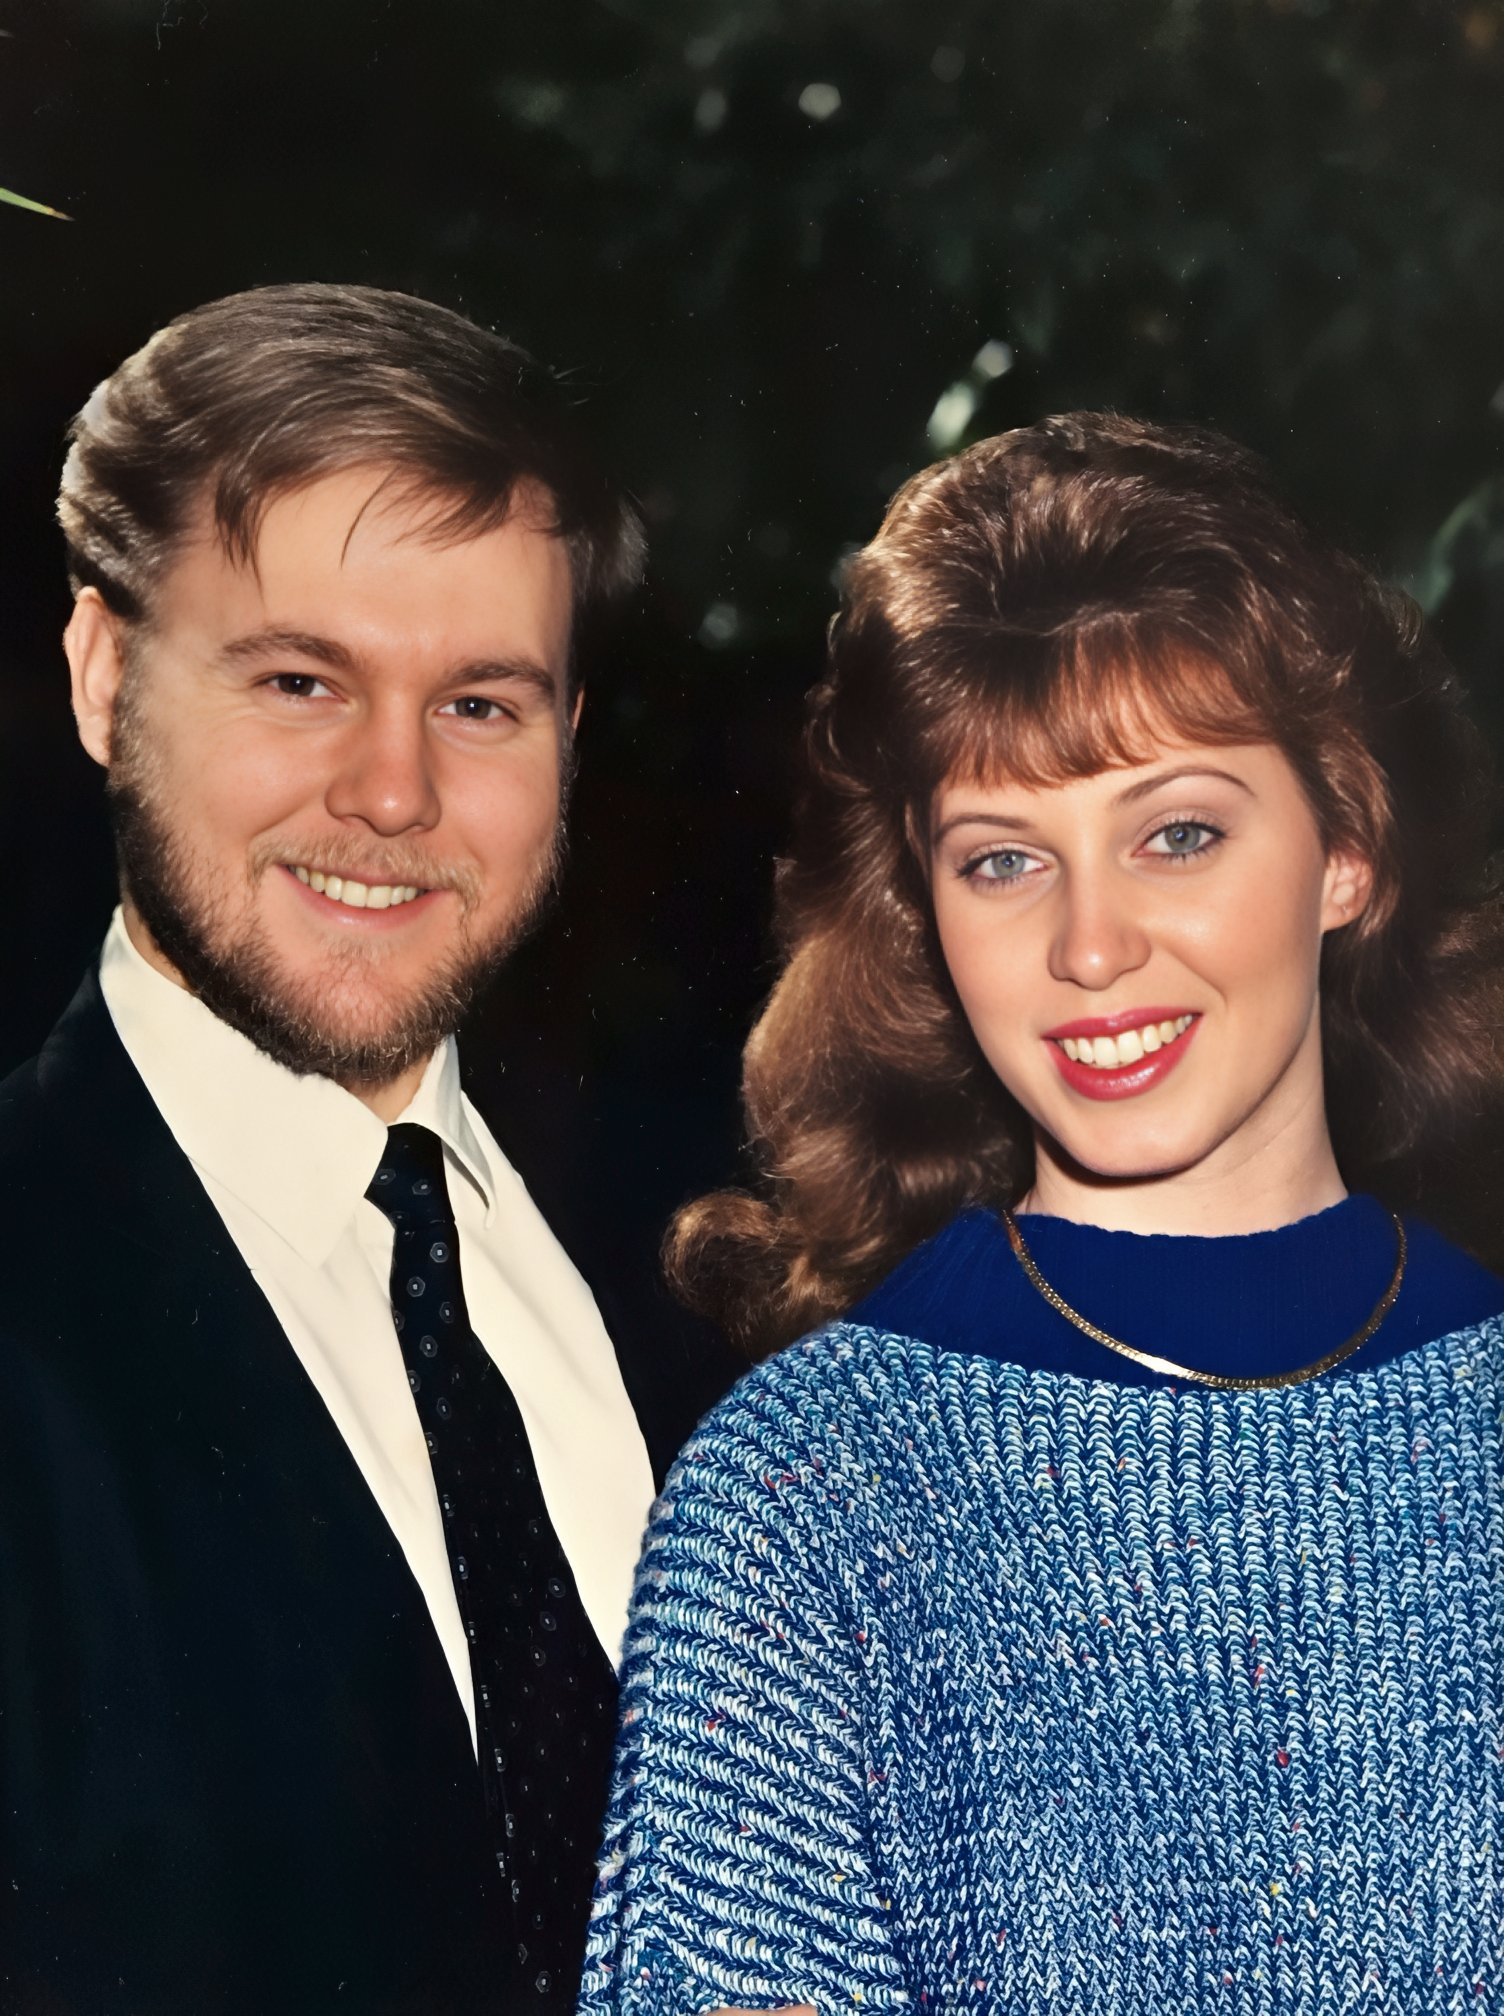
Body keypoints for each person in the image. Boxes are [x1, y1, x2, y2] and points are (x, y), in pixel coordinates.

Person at [579, 414, 1504, 2015]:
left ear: (1347, 849)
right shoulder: (806, 1499)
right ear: (926, 916)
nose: (1091, 948)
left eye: (1180, 834)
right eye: (1005, 862)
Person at [0, 282, 723, 2015]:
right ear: (106, 676)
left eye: (480, 703)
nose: (391, 792)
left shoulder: (718, 1260)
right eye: (303, 679)